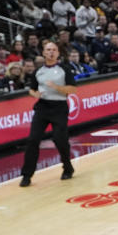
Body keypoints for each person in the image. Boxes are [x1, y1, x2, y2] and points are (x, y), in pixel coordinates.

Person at [19, 41, 76, 187]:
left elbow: (72, 90)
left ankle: (67, 167)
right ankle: (26, 175)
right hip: (42, 108)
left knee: (59, 139)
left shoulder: (64, 69)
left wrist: (56, 87)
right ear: (43, 53)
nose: (51, 52)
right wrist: (35, 94)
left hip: (59, 107)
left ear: (58, 53)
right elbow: (31, 89)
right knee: (33, 140)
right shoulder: (39, 71)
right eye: (48, 50)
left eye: (54, 50)